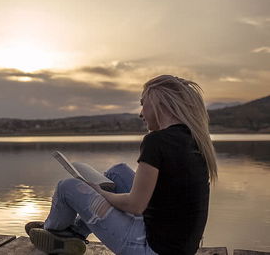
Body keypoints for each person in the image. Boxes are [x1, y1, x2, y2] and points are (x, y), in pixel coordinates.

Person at [26, 75, 218, 255]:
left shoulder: (157, 141)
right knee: (117, 172)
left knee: (66, 187)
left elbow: (135, 205)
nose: (141, 113)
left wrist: (100, 193)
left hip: (151, 248)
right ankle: (75, 233)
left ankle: (52, 231)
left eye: (143, 104)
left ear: (159, 102)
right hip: (177, 246)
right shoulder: (193, 139)